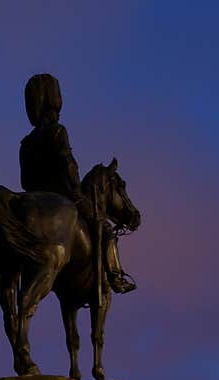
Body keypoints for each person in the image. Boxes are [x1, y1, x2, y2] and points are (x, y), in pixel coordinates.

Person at [19, 73, 136, 294]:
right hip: (66, 195)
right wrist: (76, 193)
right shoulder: (58, 131)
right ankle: (115, 276)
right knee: (106, 228)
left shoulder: (26, 143)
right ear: (54, 100)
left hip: (35, 197)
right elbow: (69, 167)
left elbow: (25, 181)